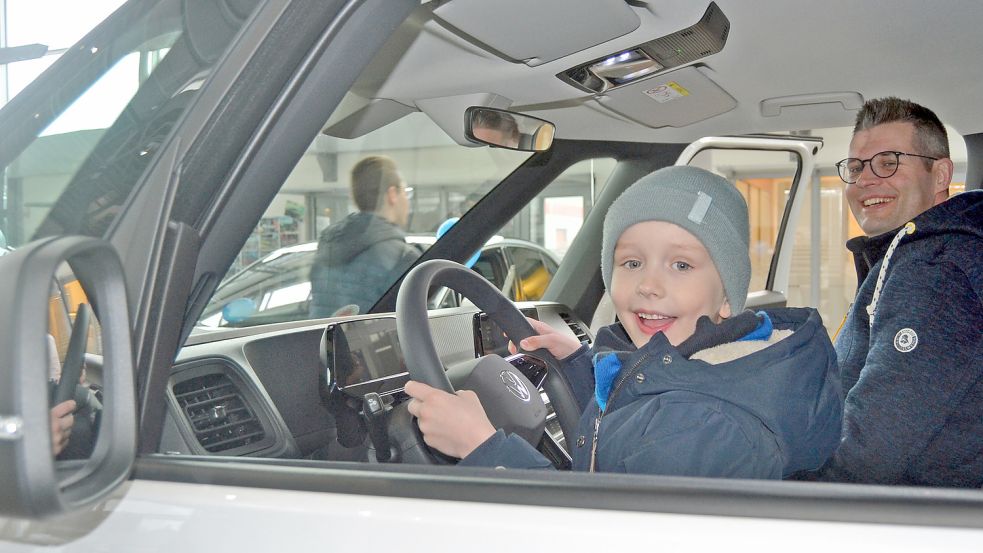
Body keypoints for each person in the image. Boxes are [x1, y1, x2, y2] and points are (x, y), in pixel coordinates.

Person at [405, 166, 843, 478]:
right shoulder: (701, 366)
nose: (648, 285)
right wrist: (579, 364)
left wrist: (483, 448)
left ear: (728, 295)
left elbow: (597, 538)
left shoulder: (702, 425)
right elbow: (631, 423)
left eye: (681, 266)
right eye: (631, 262)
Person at [811, 98, 983, 486]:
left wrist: (768, 492)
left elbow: (871, 450)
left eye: (888, 162)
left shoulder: (935, 273)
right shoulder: (916, 257)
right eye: (855, 168)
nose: (866, 180)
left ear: (940, 175)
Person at [309, 156, 420, 318]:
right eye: (405, 192)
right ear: (392, 194)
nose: (407, 201)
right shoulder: (402, 257)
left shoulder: (327, 246)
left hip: (320, 342)